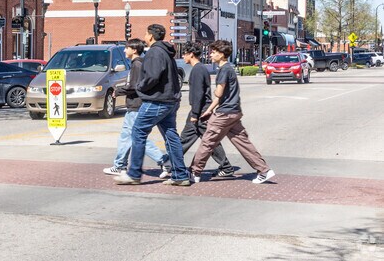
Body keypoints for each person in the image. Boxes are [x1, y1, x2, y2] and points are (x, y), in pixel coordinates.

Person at [113, 24, 190, 186]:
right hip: (170, 100)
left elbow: (152, 77)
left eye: (146, 33)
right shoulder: (166, 52)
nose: (145, 36)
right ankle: (180, 175)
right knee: (171, 137)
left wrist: (141, 87)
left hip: (157, 100)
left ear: (151, 36)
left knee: (138, 133)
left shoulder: (155, 52)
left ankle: (134, 174)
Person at [190, 40, 275, 184]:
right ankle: (264, 170)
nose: (211, 54)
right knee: (242, 142)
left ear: (222, 54)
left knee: (207, 141)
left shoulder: (224, 70)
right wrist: (209, 110)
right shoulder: (228, 68)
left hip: (224, 114)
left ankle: (195, 171)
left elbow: (218, 93)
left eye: (214, 52)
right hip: (234, 112)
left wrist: (215, 90)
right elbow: (222, 97)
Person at [160, 41, 234, 180]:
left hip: (200, 111)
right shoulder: (199, 69)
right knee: (204, 140)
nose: (183, 56)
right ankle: (225, 167)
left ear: (191, 54)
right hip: (201, 110)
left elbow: (198, 93)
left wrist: (195, 114)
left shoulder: (198, 70)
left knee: (199, 140)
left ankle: (170, 165)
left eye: (185, 53)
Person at [103, 38, 168, 176]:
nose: (125, 50)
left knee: (137, 137)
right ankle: (120, 165)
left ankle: (164, 161)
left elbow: (134, 86)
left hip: (136, 106)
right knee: (128, 136)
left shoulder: (137, 65)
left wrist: (119, 91)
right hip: (136, 105)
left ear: (134, 50)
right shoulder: (139, 63)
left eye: (126, 48)